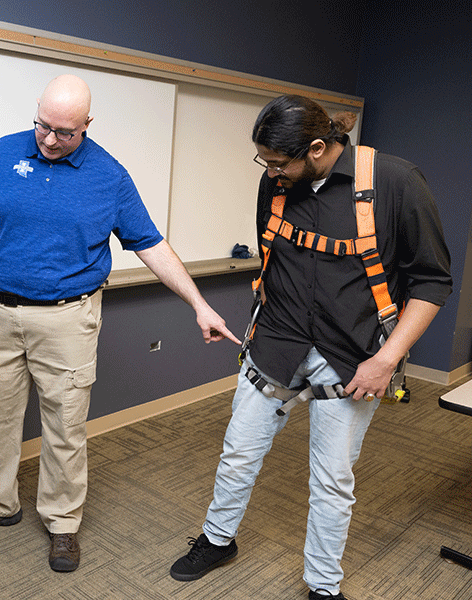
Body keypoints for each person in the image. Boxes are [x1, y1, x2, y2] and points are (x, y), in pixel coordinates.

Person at [0, 73, 240, 572]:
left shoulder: (109, 175)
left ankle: (62, 522)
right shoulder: (0, 153)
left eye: (65, 132)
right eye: (43, 126)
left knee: (64, 425)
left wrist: (199, 303)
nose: (50, 140)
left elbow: (151, 244)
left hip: (68, 319)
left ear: (87, 125)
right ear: (36, 111)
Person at [168, 95, 452, 600]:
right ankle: (217, 539)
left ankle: (323, 585)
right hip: (276, 340)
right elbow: (273, 256)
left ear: (318, 148)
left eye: (279, 162)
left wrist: (386, 361)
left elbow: (432, 282)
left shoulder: (396, 182)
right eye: (267, 163)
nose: (271, 172)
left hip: (354, 355)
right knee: (238, 453)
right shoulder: (276, 183)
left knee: (332, 479)